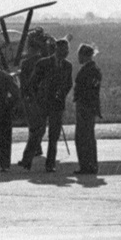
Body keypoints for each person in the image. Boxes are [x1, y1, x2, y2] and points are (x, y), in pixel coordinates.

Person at [37, 39, 74, 172]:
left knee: (54, 135)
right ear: (56, 50)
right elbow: (35, 82)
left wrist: (62, 94)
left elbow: (69, 83)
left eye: (66, 51)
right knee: (37, 131)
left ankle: (50, 163)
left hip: (57, 104)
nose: (64, 53)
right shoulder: (43, 63)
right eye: (62, 50)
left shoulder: (68, 66)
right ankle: (28, 158)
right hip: (43, 102)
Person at [18, 31, 52, 170]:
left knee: (35, 127)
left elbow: (24, 83)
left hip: (30, 99)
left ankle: (29, 156)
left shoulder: (26, 63)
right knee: (39, 128)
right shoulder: (44, 60)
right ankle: (30, 154)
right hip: (40, 98)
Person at [73, 43, 102, 175]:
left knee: (83, 137)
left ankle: (86, 165)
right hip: (89, 106)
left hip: (85, 106)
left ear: (84, 55)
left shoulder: (89, 70)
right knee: (88, 136)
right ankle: (91, 164)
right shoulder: (94, 69)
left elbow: (87, 89)